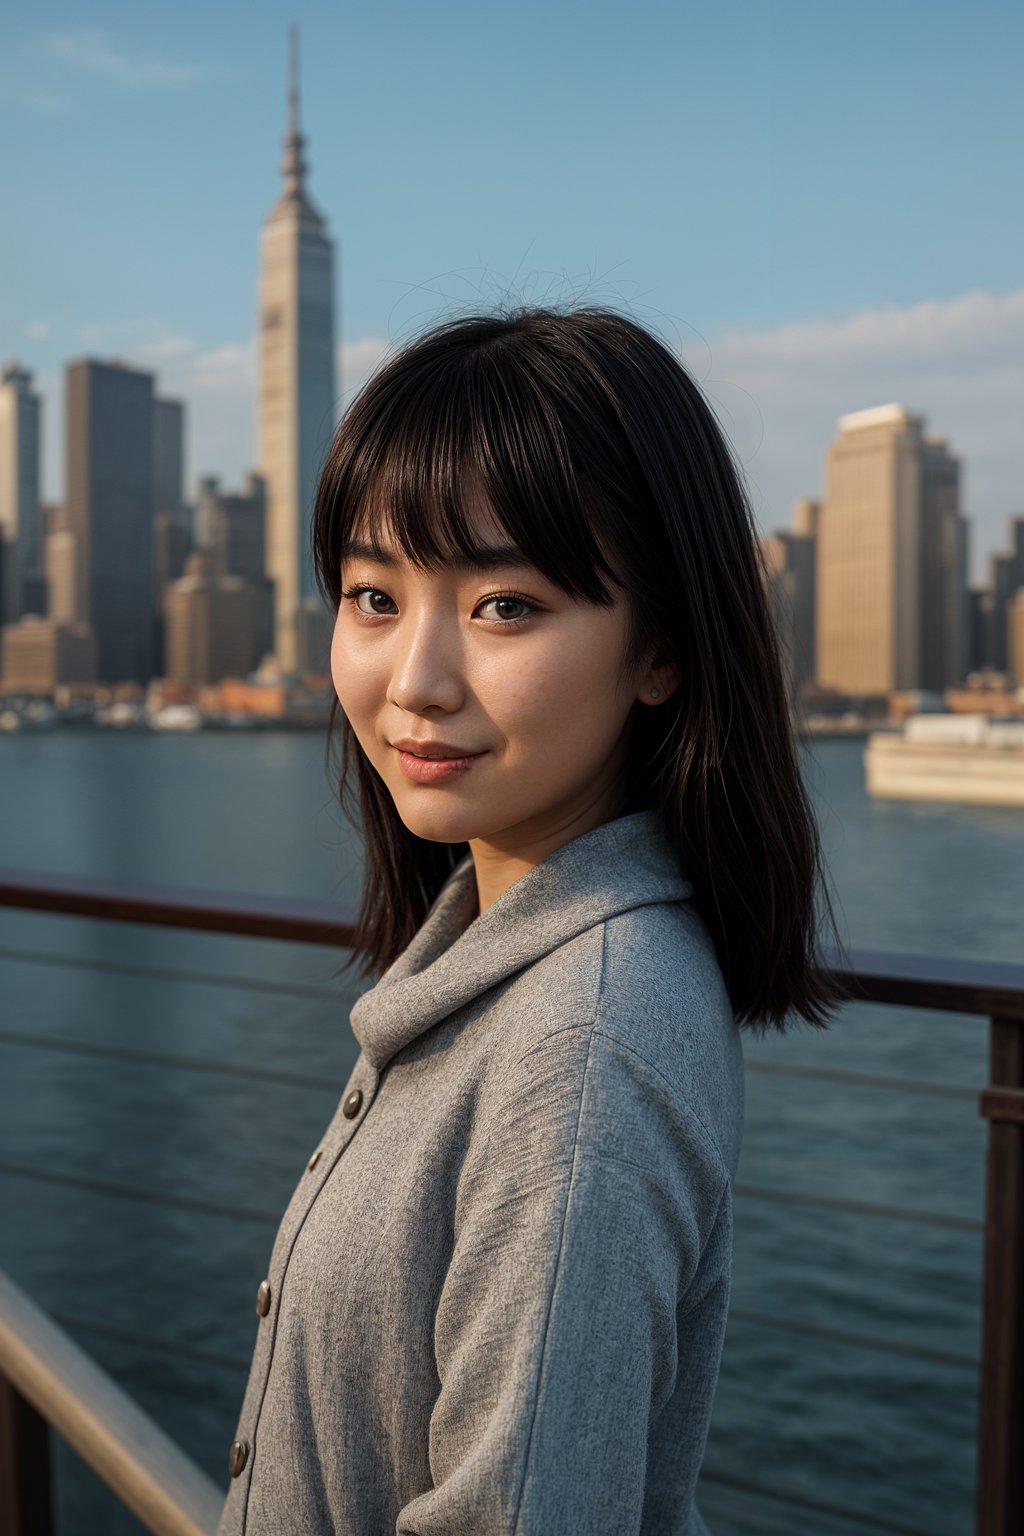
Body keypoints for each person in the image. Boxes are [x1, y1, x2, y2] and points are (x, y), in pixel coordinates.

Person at [216, 304, 848, 1536]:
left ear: (659, 647)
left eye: (504, 605)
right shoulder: (502, 947)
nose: (415, 679)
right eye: (371, 595)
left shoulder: (582, 1049)